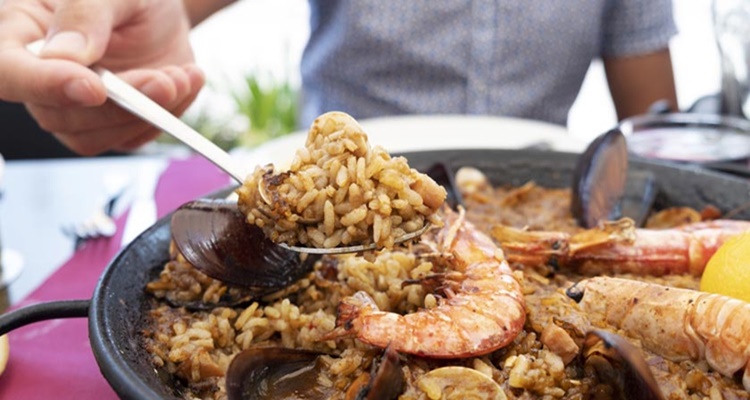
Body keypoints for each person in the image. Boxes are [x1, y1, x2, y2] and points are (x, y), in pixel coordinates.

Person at [0, 0, 678, 156]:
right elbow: (163, 6)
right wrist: (86, 23)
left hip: (532, 189)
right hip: (327, 188)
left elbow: (656, 124)